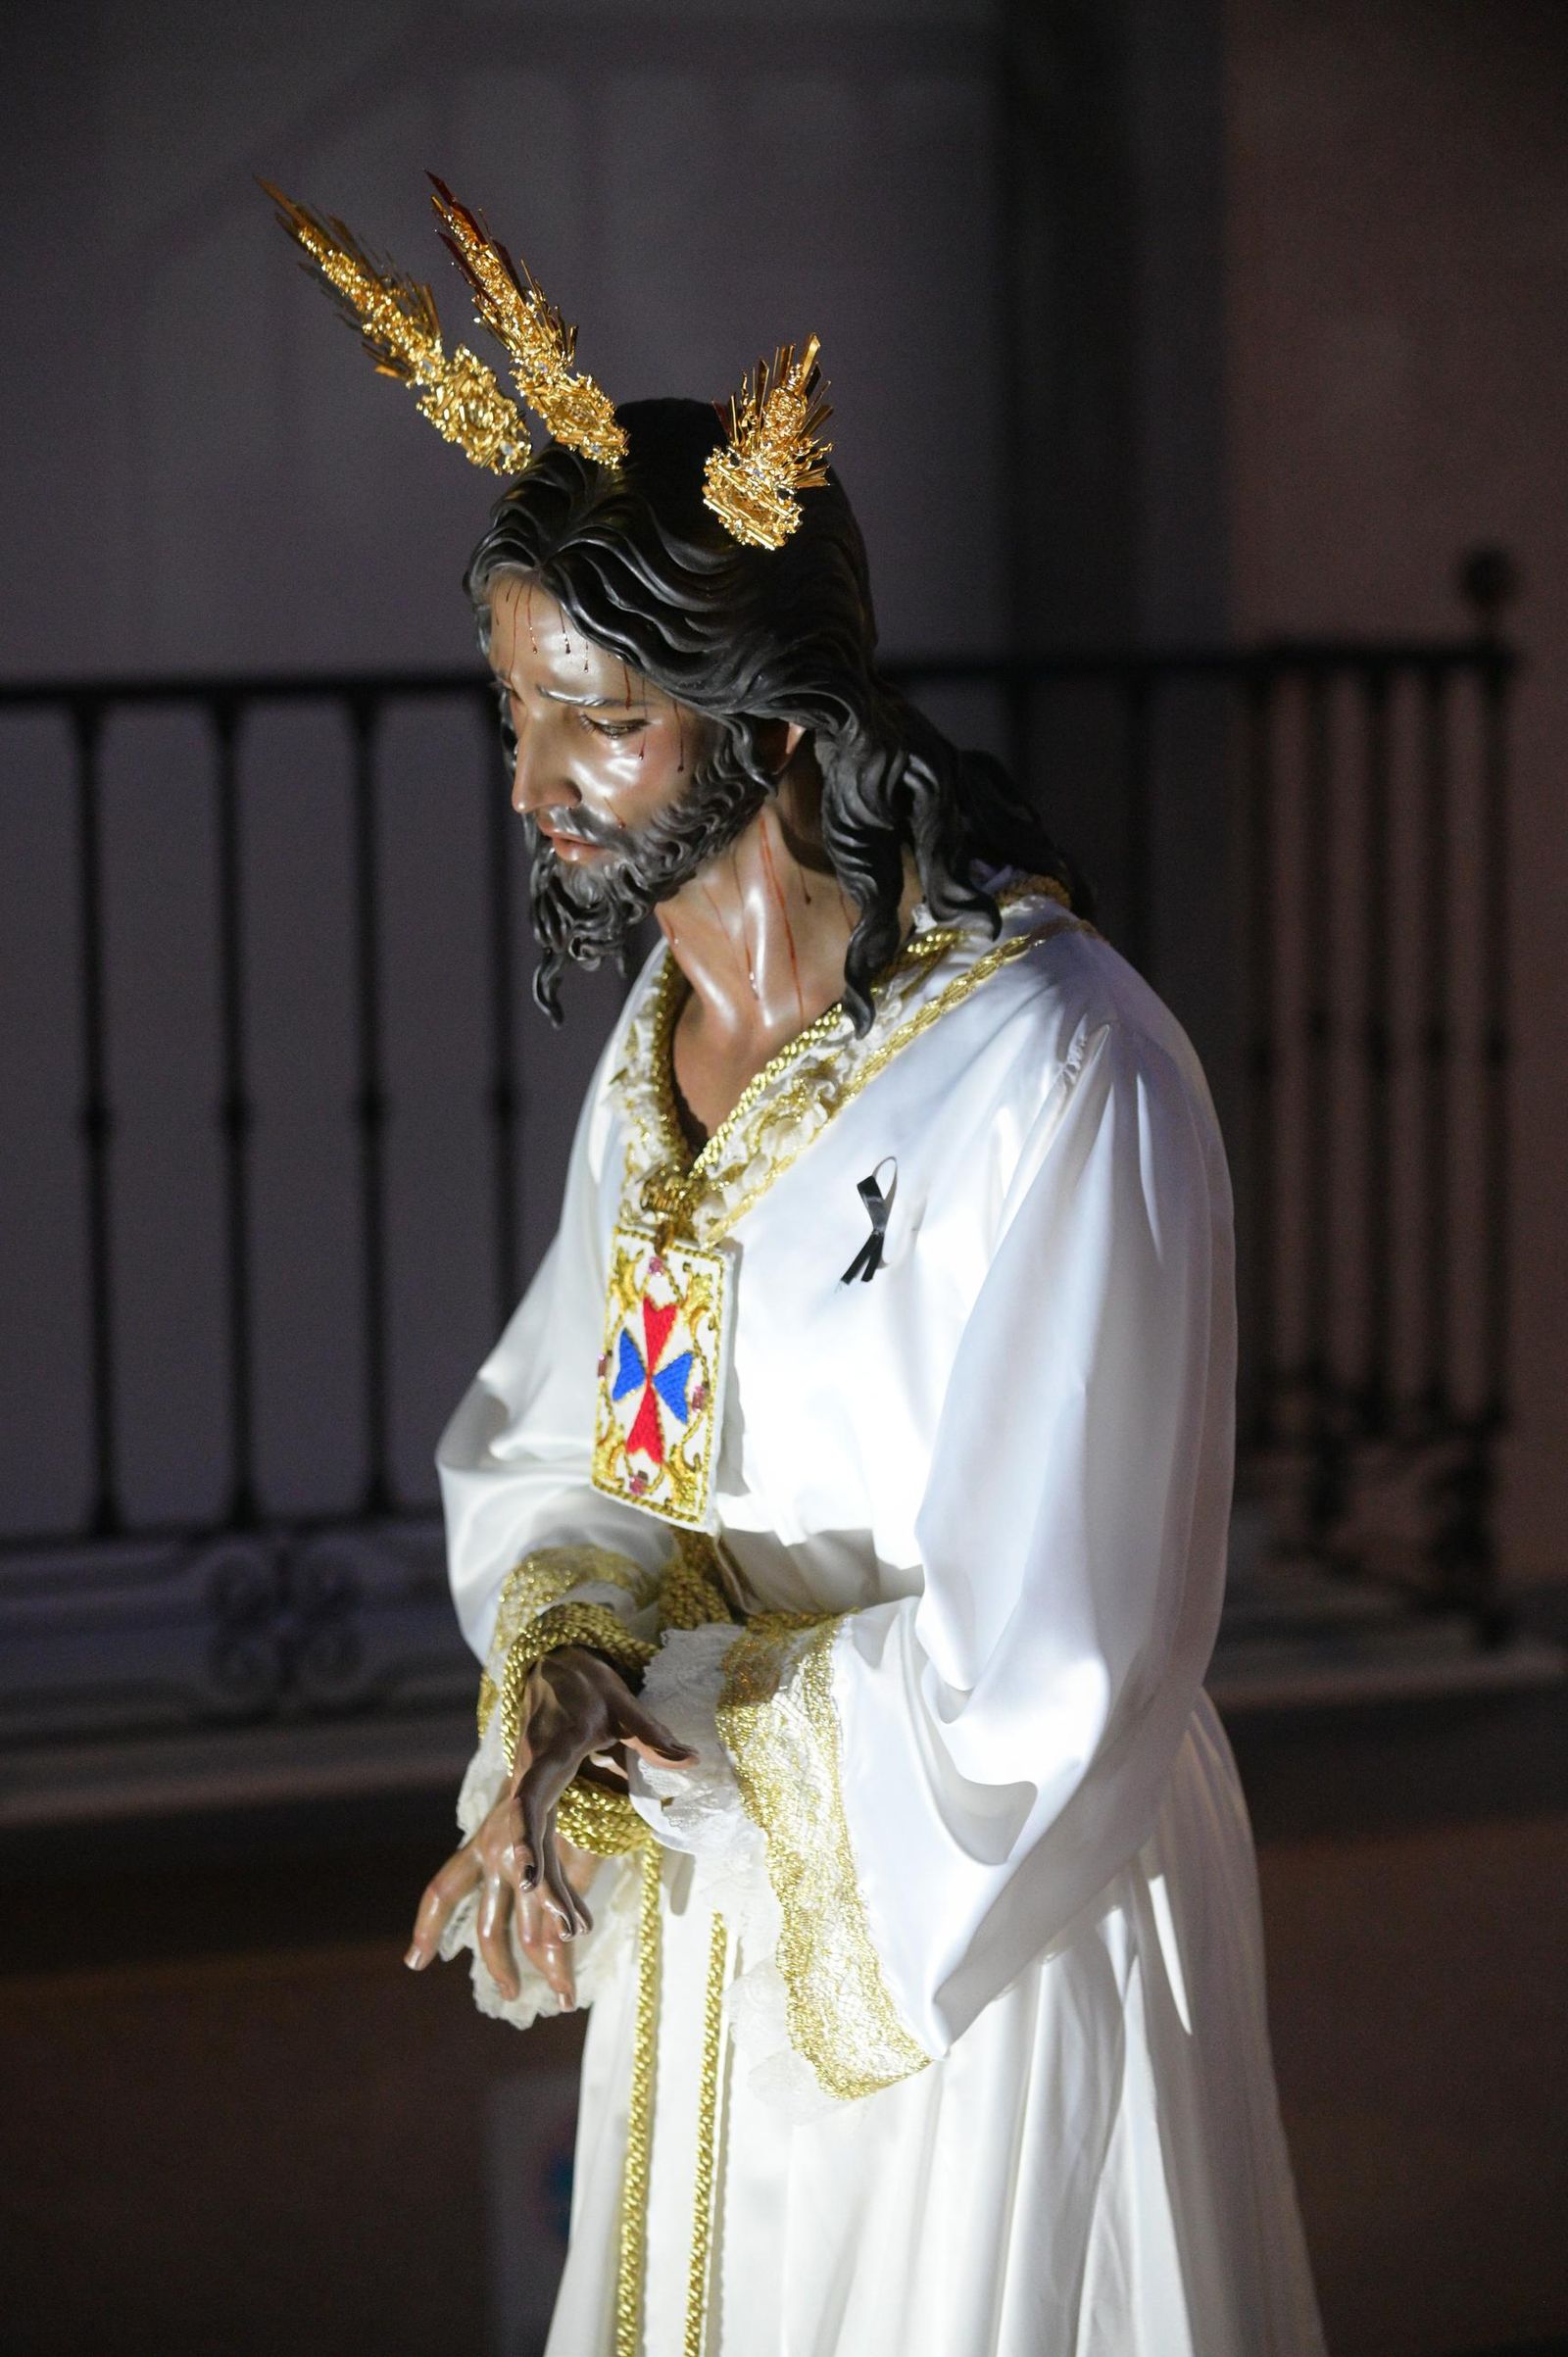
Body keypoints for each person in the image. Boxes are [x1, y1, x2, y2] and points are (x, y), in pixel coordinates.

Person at [273, 180, 1326, 2357]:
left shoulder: (1054, 1076)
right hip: (708, 1936)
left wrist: (673, 1735)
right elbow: (586, 1453)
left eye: (598, 720)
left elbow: (1056, 1663)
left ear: (766, 725)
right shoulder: (660, 1063)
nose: (531, 782)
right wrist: (563, 1686)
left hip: (980, 1957)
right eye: (510, 711)